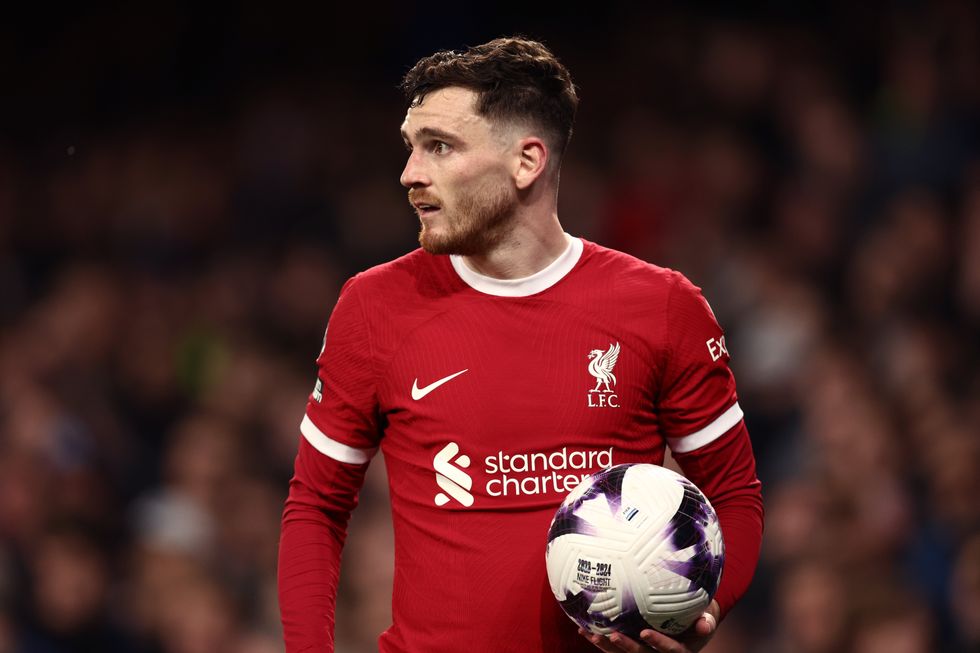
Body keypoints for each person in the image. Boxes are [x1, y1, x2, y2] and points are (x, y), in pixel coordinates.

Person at [278, 36, 763, 653]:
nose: (410, 173)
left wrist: (701, 615)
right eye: (411, 148)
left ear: (527, 161)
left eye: (439, 147)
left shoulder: (664, 307)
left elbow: (734, 497)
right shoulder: (372, 307)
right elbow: (316, 507)